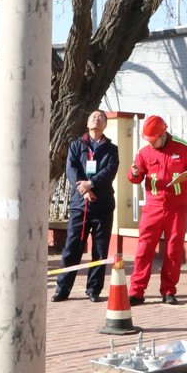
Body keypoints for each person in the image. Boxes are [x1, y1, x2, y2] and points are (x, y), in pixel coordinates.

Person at [127, 116, 187, 304]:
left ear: (163, 134)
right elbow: (135, 176)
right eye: (148, 140)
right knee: (144, 249)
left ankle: (168, 291)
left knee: (173, 250)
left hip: (176, 209)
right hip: (152, 208)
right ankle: (136, 292)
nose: (151, 144)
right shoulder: (144, 151)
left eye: (154, 140)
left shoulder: (182, 148)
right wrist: (134, 173)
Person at [52, 110, 119, 302]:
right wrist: (84, 189)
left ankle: (93, 290)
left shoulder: (111, 149)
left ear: (105, 125)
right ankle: (62, 288)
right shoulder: (76, 145)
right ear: (87, 123)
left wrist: (92, 184)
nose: (97, 119)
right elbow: (71, 169)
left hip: (102, 205)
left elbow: (110, 170)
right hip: (80, 206)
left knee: (99, 249)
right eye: (93, 117)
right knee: (72, 247)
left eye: (101, 118)